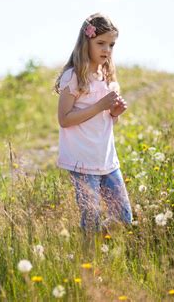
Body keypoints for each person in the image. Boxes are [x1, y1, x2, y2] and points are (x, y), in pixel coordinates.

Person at [55, 13, 133, 231]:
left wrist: (114, 113)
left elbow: (105, 122)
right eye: (100, 43)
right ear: (86, 41)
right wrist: (100, 106)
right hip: (82, 159)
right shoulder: (74, 76)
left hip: (106, 158)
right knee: (92, 219)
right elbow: (64, 119)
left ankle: (105, 248)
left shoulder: (106, 76)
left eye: (111, 45)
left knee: (124, 217)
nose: (106, 50)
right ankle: (89, 257)